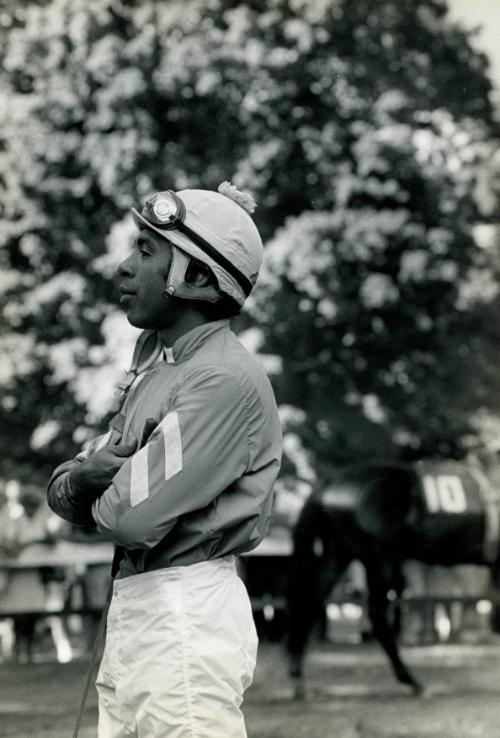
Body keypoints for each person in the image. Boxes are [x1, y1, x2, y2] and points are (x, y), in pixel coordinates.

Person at [47, 182, 282, 738]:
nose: (124, 269)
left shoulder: (220, 378)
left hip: (185, 610)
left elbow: (129, 518)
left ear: (197, 278)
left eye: (147, 252)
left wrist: (93, 483)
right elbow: (65, 488)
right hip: (139, 606)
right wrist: (91, 478)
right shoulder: (157, 367)